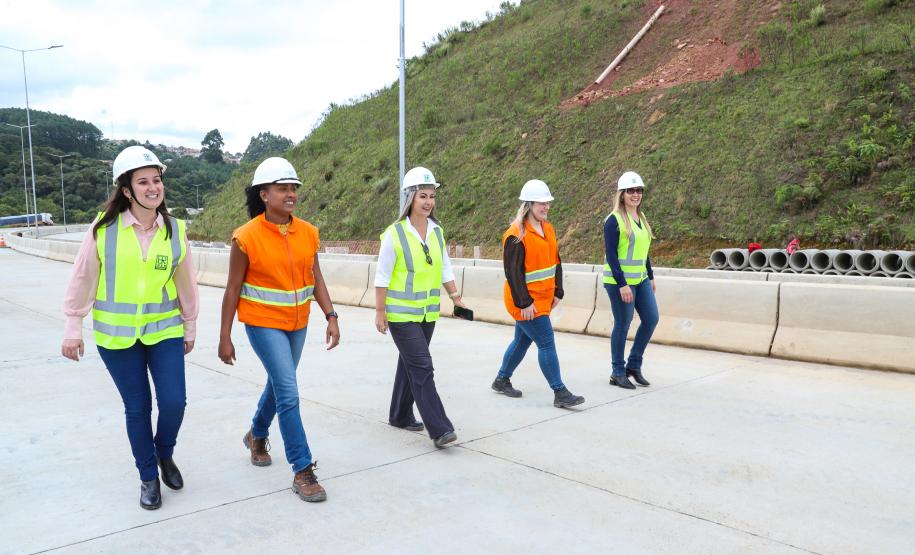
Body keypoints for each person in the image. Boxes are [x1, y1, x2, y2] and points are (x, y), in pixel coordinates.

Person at [60, 145, 199, 510]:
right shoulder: (103, 229)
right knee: (138, 407)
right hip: (117, 337)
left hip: (164, 330)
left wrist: (190, 325)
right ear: (126, 190)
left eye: (157, 180)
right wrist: (73, 324)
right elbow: (83, 277)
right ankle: (148, 476)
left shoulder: (174, 229)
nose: (153, 187)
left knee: (174, 402)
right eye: (143, 182)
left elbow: (186, 282)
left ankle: (164, 453)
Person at [218, 157, 340, 503]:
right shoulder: (245, 238)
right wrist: (224, 336)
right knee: (289, 392)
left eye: (294, 188)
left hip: (297, 323)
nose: (291, 194)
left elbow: (315, 278)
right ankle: (302, 469)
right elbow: (231, 289)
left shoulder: (309, 232)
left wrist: (331, 316)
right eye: (283, 188)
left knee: (278, 384)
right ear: (264, 193)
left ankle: (256, 433)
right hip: (262, 323)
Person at [374, 166, 466, 448]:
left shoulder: (437, 232)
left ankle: (400, 415)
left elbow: (445, 267)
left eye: (432, 196)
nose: (428, 202)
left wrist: (456, 298)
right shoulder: (395, 233)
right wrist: (380, 312)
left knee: (409, 363)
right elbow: (382, 275)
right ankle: (439, 428)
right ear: (410, 198)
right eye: (422, 196)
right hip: (401, 314)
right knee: (423, 366)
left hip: (427, 312)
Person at [491, 180, 585, 408]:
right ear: (529, 204)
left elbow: (556, 261)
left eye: (547, 203)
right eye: (541, 203)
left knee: (522, 342)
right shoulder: (516, 235)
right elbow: (513, 274)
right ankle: (560, 392)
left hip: (542, 299)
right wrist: (524, 303)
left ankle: (501, 380)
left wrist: (558, 290)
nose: (546, 207)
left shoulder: (547, 228)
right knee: (546, 342)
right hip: (524, 302)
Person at [603, 171, 659, 389]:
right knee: (623, 325)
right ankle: (617, 372)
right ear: (622, 194)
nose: (635, 194)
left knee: (651, 318)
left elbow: (643, 251)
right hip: (620, 282)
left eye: (639, 191)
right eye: (631, 191)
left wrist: (651, 275)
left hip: (641, 279)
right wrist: (622, 284)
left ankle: (633, 365)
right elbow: (611, 254)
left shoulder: (641, 219)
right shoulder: (614, 220)